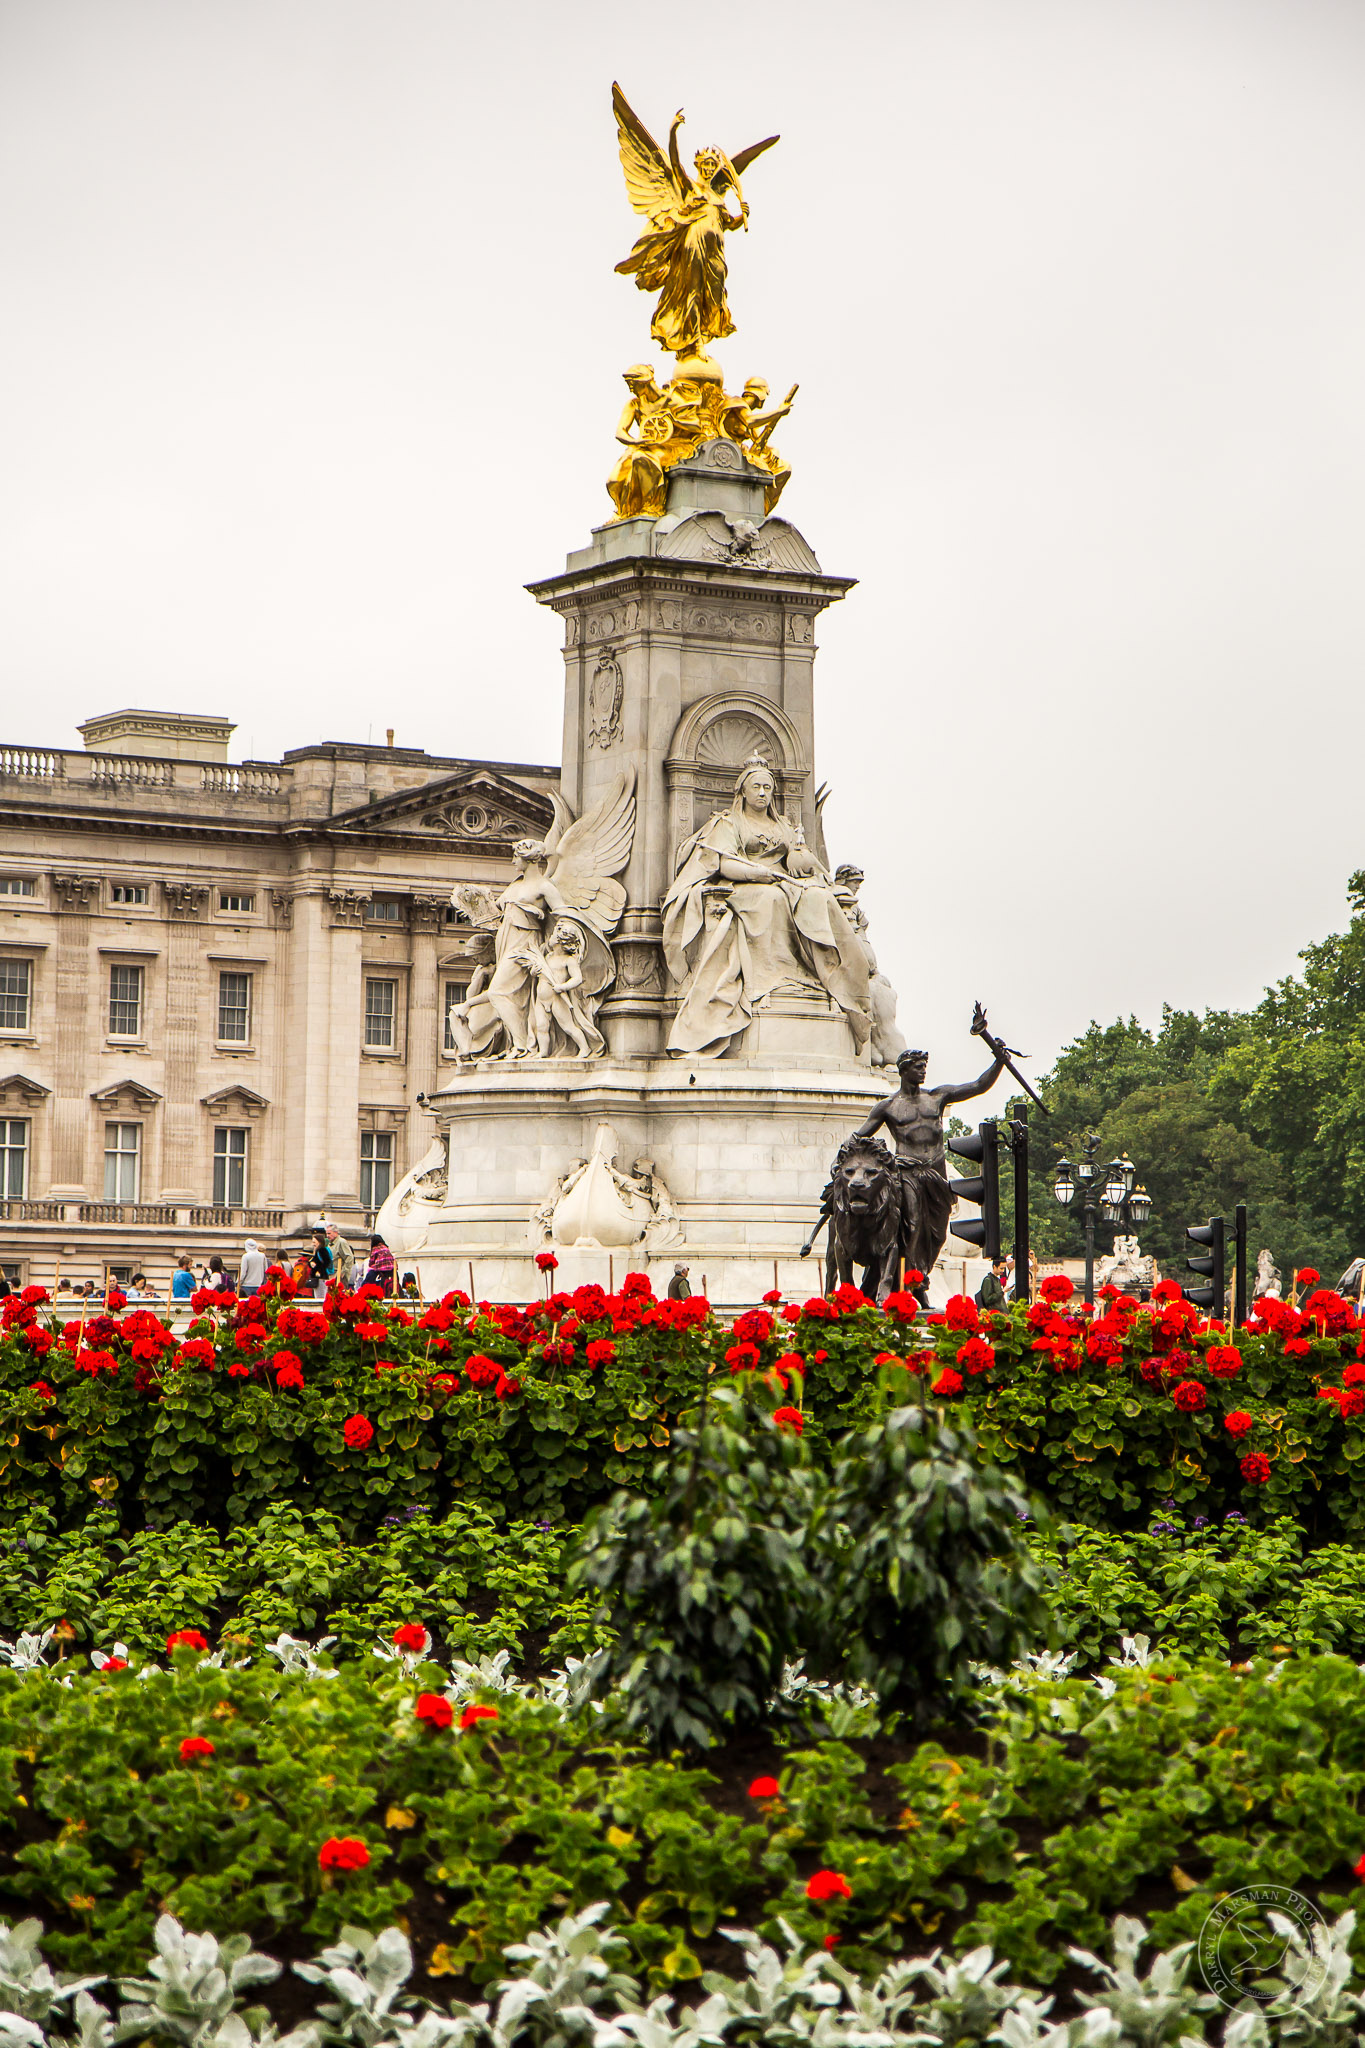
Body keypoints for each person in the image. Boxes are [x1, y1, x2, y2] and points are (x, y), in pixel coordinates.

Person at [662, 757, 872, 1057]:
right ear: (743, 792)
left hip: (782, 882)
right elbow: (721, 861)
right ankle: (775, 978)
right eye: (756, 787)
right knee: (770, 900)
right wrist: (756, 873)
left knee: (820, 899)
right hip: (743, 887)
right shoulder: (729, 822)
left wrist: (800, 855)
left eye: (767, 787)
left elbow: (800, 864)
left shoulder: (783, 825)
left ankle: (825, 975)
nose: (762, 793)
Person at [325, 1222, 355, 1291]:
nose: (327, 1236)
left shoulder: (341, 1242)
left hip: (339, 1276)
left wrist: (343, 1272)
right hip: (331, 1276)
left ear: (335, 1233)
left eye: (329, 1233)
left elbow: (349, 1257)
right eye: (326, 1233)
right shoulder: (330, 1244)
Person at [307, 1227, 333, 1299]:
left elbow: (326, 1262)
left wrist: (319, 1270)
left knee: (320, 1297)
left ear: (319, 1242)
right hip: (317, 1277)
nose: (313, 1244)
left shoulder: (322, 1250)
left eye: (314, 1242)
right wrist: (311, 1263)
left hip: (321, 1277)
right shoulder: (317, 1251)